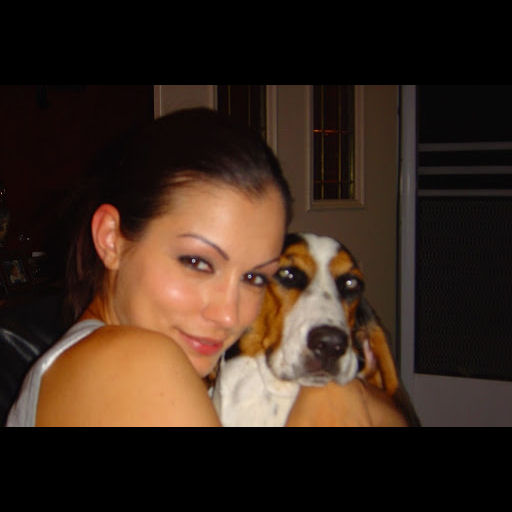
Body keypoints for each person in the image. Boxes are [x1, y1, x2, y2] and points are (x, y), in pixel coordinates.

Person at [6, 108, 407, 427]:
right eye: (197, 262)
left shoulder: (109, 362)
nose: (228, 315)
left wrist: (338, 388)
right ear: (112, 239)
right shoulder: (133, 361)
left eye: (254, 277)